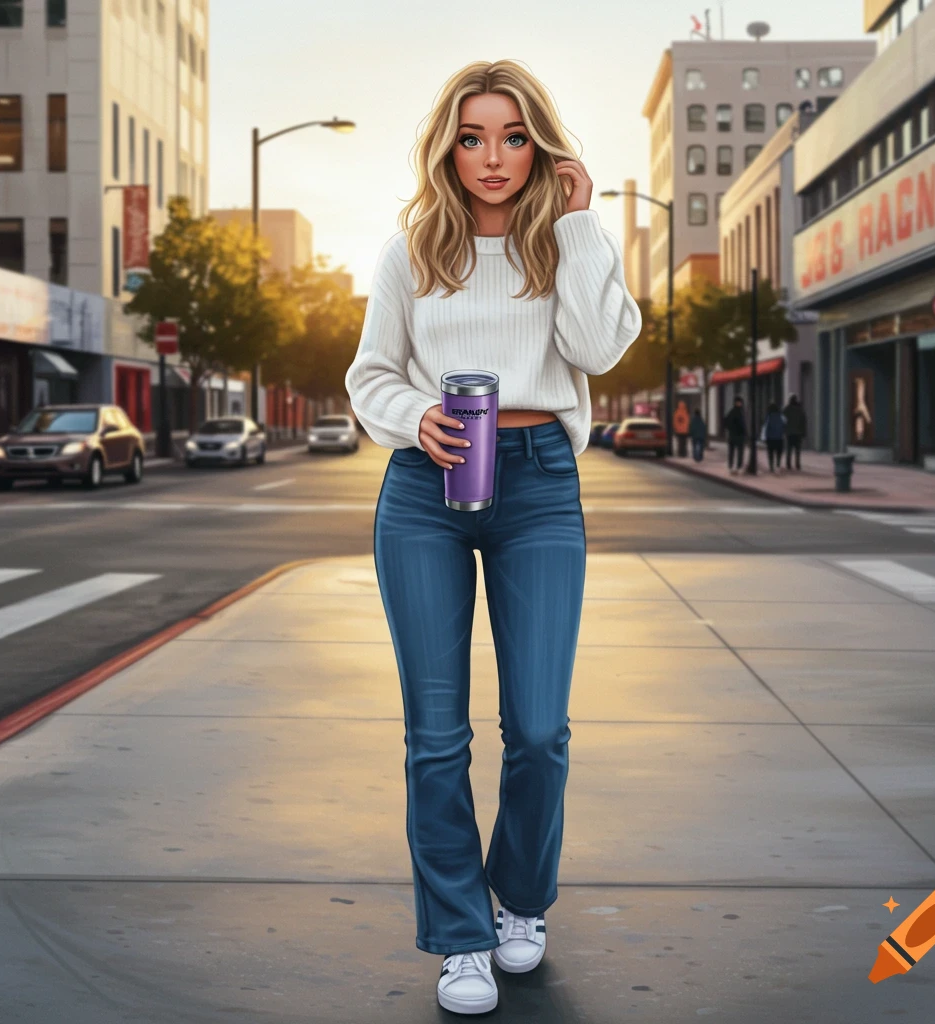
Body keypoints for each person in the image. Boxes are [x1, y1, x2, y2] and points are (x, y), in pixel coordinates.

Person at [344, 61, 642, 1017]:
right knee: (436, 738)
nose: (493, 158)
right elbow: (369, 375)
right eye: (472, 138)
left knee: (540, 730)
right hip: (424, 490)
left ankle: (521, 905)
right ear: (448, 147)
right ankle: (461, 936)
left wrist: (581, 218)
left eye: (513, 136)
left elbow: (600, 351)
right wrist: (413, 416)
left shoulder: (567, 242)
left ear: (542, 144)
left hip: (542, 485)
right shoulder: (412, 250)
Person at [783, 393, 807, 471]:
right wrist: (804, 432)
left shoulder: (786, 409)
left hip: (789, 433)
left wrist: (784, 430)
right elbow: (803, 422)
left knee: (789, 449)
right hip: (798, 433)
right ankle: (797, 464)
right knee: (797, 450)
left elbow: (783, 420)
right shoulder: (800, 410)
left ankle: (788, 464)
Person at [723, 397, 747, 473]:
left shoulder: (731, 412)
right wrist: (744, 432)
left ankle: (731, 466)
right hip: (738, 435)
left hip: (732, 435)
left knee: (732, 451)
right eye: (739, 402)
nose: (740, 404)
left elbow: (725, 422)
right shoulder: (739, 412)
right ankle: (737, 467)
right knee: (739, 451)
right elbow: (742, 424)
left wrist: (730, 429)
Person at [763, 400, 786, 472]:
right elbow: (785, 424)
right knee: (779, 452)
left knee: (771, 453)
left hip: (770, 438)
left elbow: (766, 427)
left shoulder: (768, 417)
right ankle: (778, 465)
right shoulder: (781, 416)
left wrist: (765, 437)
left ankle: (771, 466)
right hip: (779, 438)